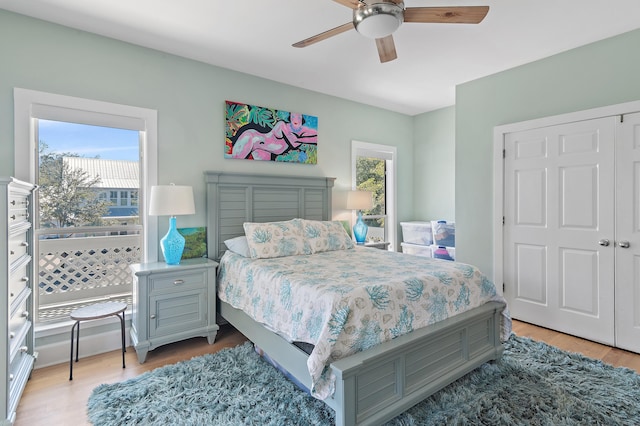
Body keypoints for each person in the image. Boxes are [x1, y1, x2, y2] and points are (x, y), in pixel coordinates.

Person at [229, 112, 317, 160]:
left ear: (302, 119)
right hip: (253, 138)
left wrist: (301, 138)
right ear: (290, 118)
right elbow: (293, 142)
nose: (296, 119)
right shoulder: (282, 125)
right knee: (234, 159)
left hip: (264, 150)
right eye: (293, 116)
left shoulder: (304, 131)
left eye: (299, 117)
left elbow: (317, 138)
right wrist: (303, 139)